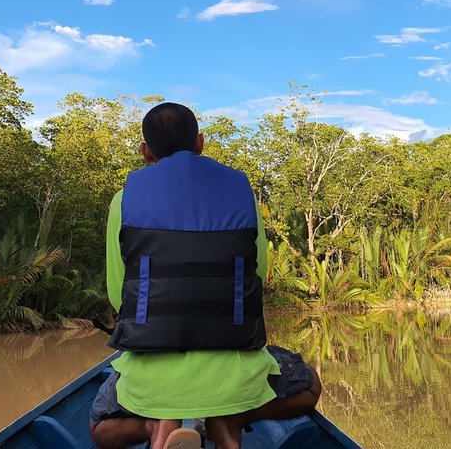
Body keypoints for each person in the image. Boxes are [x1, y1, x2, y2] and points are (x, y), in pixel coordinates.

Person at [89, 103, 321, 449]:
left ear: (146, 151)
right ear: (200, 143)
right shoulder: (243, 195)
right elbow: (257, 274)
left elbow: (118, 294)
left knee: (99, 425)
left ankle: (156, 427)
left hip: (151, 379)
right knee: (311, 386)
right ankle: (230, 421)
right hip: (236, 370)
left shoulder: (123, 200)